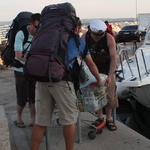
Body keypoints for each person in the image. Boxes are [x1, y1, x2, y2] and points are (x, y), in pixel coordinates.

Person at [31, 19, 103, 150]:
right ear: (76, 27)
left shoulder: (46, 37)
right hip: (62, 82)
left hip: (42, 80)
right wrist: (99, 79)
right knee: (69, 121)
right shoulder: (77, 41)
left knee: (40, 122)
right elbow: (91, 65)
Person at [82, 19, 118, 131]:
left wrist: (110, 75)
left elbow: (113, 59)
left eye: (100, 35)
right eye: (96, 36)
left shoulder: (109, 38)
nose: (98, 38)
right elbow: (81, 56)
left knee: (110, 95)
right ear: (90, 31)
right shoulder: (85, 38)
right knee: (96, 95)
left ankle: (108, 118)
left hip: (107, 68)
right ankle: (99, 117)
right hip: (93, 68)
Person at [13, 13, 41, 128]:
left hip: (33, 70)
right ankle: (19, 118)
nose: (38, 29)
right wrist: (33, 63)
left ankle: (33, 120)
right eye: (36, 27)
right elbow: (18, 55)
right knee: (22, 97)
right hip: (20, 69)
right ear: (31, 24)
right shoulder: (21, 34)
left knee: (33, 96)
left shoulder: (39, 35)